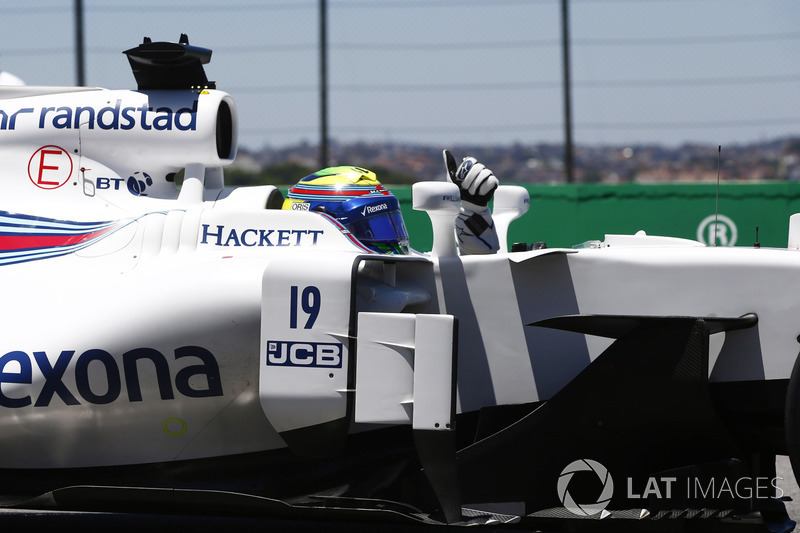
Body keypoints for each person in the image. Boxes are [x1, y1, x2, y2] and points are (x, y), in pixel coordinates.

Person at [282, 150, 499, 255]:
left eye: (390, 223)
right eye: (370, 229)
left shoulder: (405, 267)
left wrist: (472, 212)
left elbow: (466, 278)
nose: (392, 242)